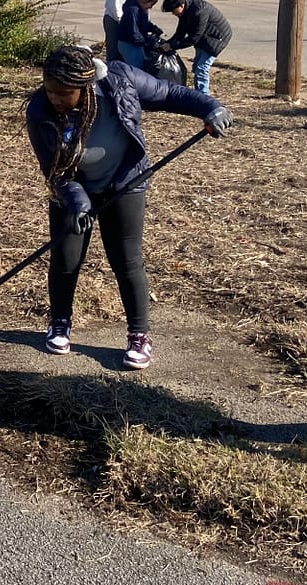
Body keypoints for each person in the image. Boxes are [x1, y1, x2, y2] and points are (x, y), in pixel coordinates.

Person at [26, 45, 232, 370]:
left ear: (86, 86)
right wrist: (78, 204)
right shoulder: (40, 111)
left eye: (63, 93)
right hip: (71, 189)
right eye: (50, 90)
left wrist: (210, 107)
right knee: (66, 258)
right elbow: (56, 170)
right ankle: (60, 321)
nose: (55, 98)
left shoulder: (120, 80)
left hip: (125, 182)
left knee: (126, 260)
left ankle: (139, 335)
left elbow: (168, 93)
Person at [156, 0, 231, 96]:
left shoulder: (199, 11)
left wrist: (172, 46)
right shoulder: (185, 12)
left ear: (181, 5)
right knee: (196, 67)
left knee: (201, 68)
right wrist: (168, 44)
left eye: (173, 10)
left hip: (216, 39)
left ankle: (204, 98)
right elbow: (180, 33)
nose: (173, 13)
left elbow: (193, 39)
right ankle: (198, 93)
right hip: (204, 38)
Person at [116, 0, 166, 75]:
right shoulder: (132, 10)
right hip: (128, 44)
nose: (151, 7)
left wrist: (153, 28)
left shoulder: (142, 9)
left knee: (140, 69)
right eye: (151, 4)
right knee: (136, 72)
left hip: (136, 44)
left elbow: (144, 23)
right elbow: (134, 33)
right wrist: (148, 42)